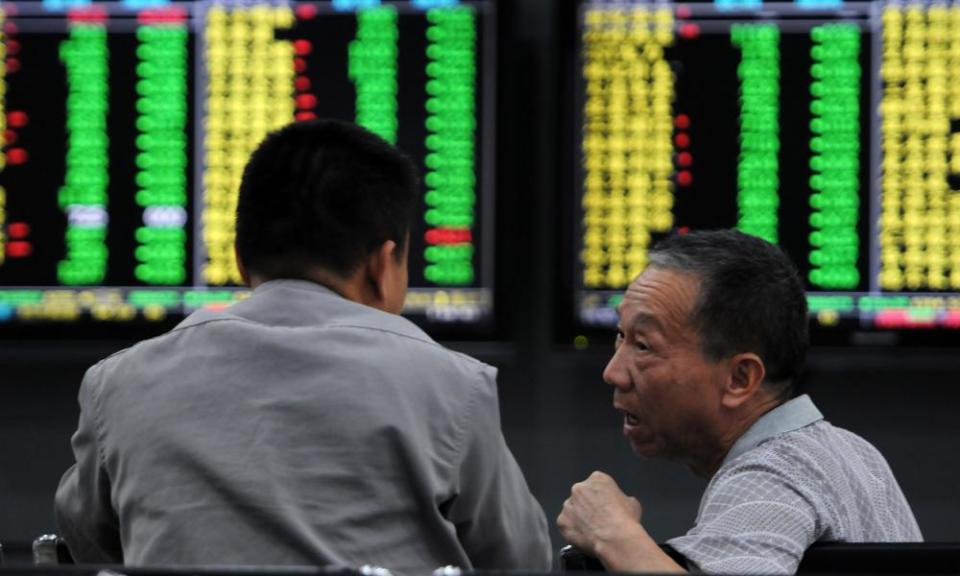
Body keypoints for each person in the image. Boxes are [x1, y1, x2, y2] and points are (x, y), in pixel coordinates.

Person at [56, 119, 552, 573]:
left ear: (241, 263)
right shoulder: (453, 386)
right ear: (384, 266)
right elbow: (520, 561)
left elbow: (88, 541)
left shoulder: (117, 385)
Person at [557, 229, 922, 574]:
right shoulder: (854, 453)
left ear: (740, 379)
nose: (613, 372)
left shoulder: (771, 474)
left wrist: (614, 535)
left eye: (643, 345)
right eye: (621, 336)